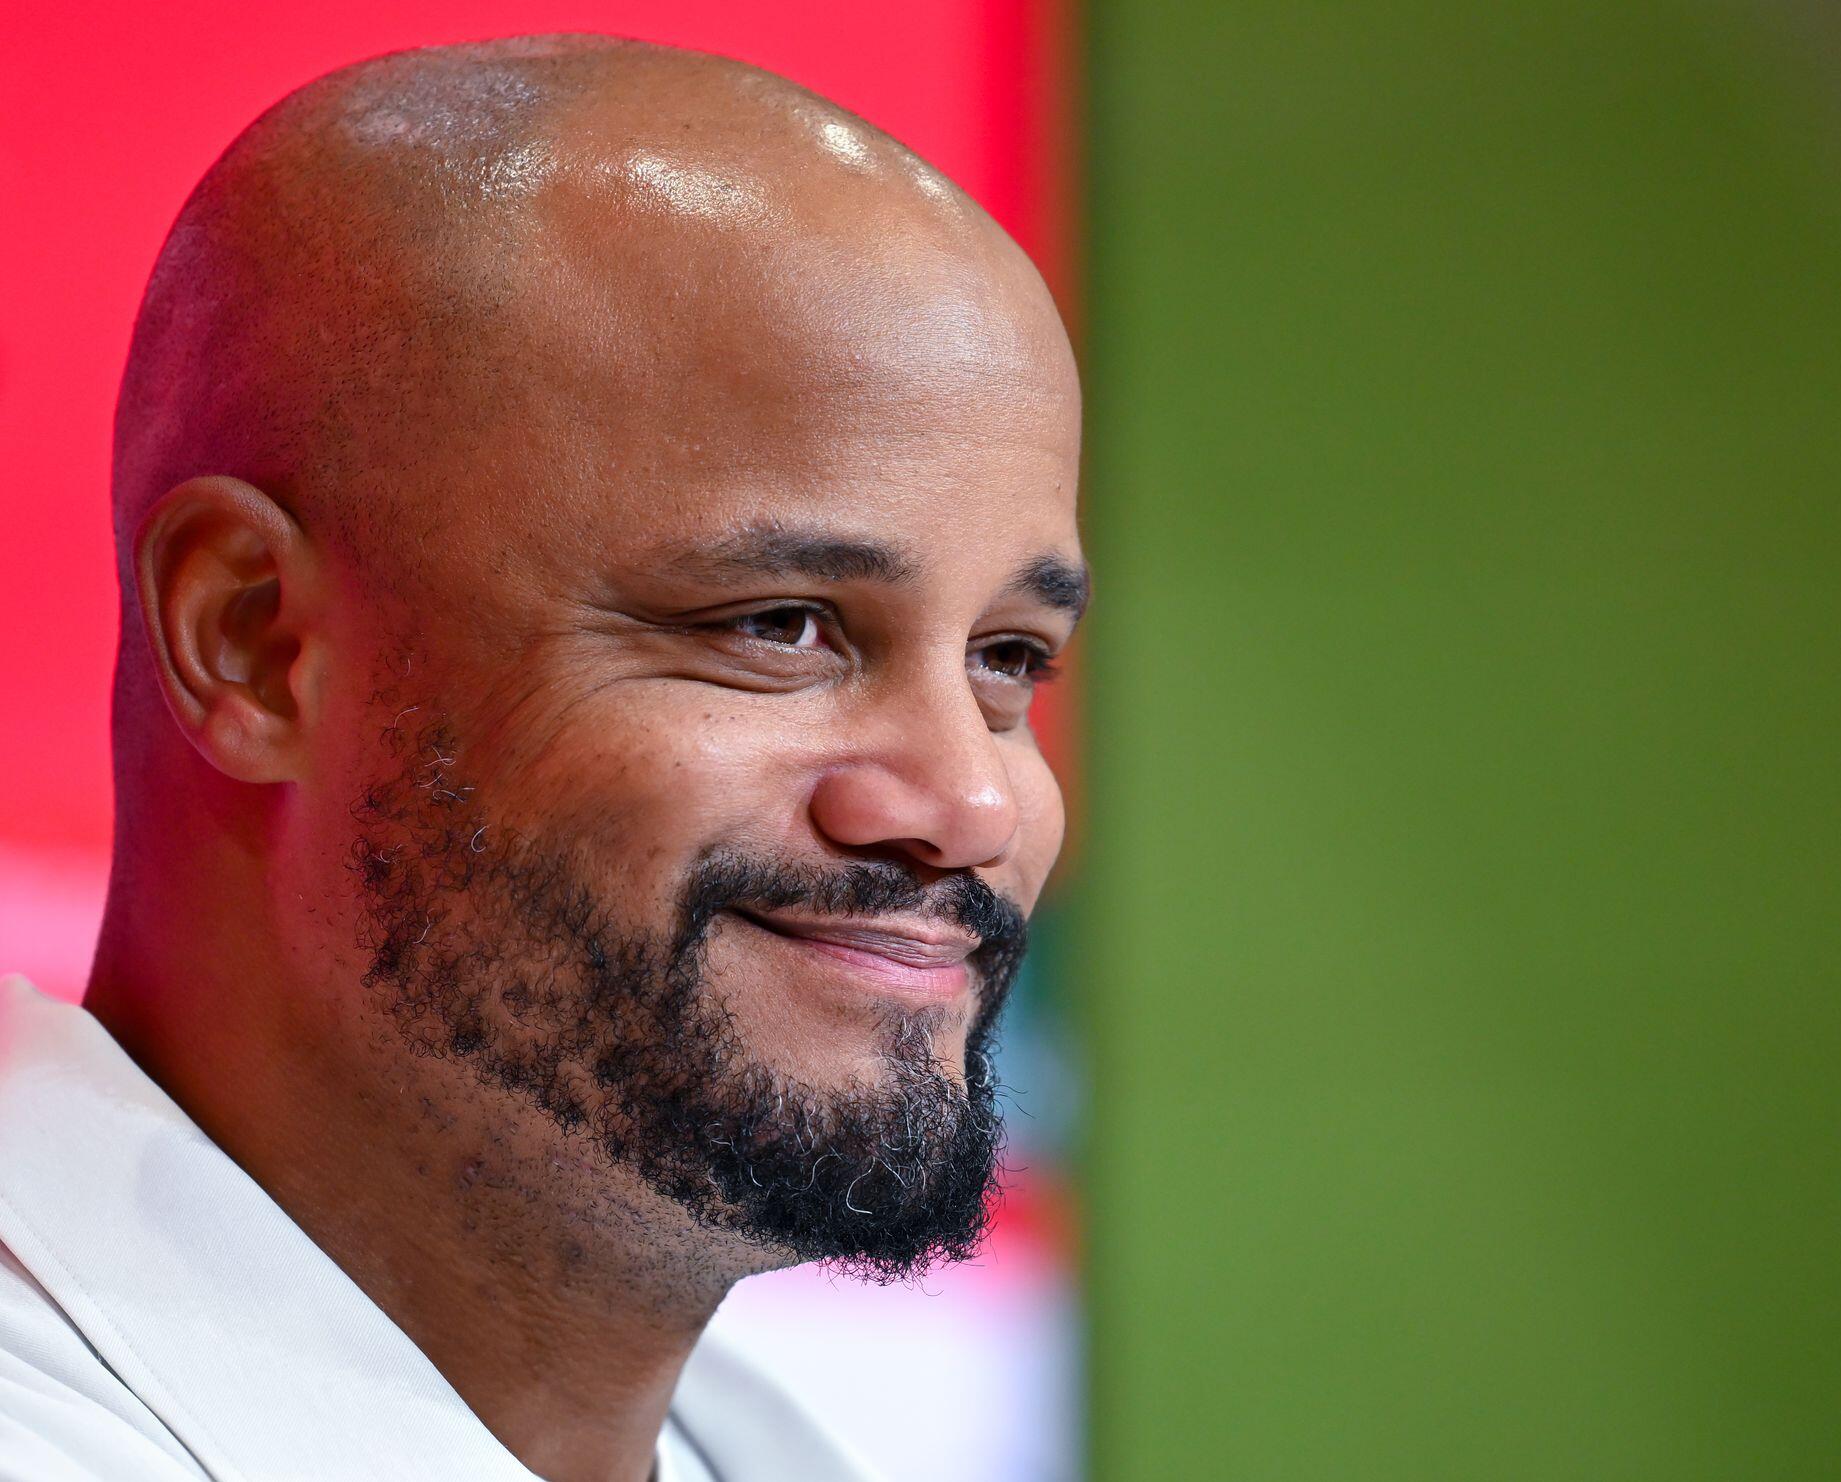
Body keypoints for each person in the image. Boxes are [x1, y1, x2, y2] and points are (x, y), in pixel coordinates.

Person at [0, 33, 1085, 1482]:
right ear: (256, 641)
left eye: (1008, 660)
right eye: (780, 626)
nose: (970, 804)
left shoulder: (768, 1445)